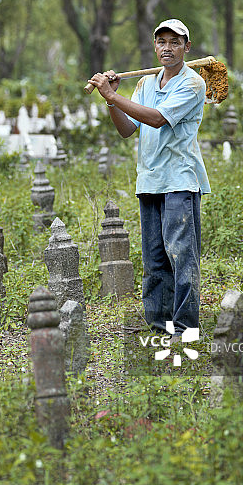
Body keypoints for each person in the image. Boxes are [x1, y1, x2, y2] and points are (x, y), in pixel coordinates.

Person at [87, 18, 210, 337]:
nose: (167, 48)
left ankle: (186, 329)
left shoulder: (193, 83)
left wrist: (114, 97)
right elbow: (128, 128)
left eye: (174, 42)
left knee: (181, 256)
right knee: (155, 260)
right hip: (150, 181)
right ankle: (160, 326)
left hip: (180, 181)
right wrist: (110, 99)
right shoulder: (145, 85)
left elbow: (156, 119)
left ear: (186, 47)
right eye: (161, 42)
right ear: (155, 47)